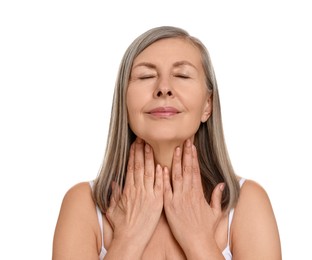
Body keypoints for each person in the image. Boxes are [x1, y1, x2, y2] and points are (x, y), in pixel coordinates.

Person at [52, 26, 282, 260]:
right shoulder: (82, 204)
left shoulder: (247, 203)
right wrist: (129, 237)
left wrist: (198, 240)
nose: (163, 88)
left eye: (182, 75)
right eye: (146, 76)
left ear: (207, 105)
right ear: (124, 101)